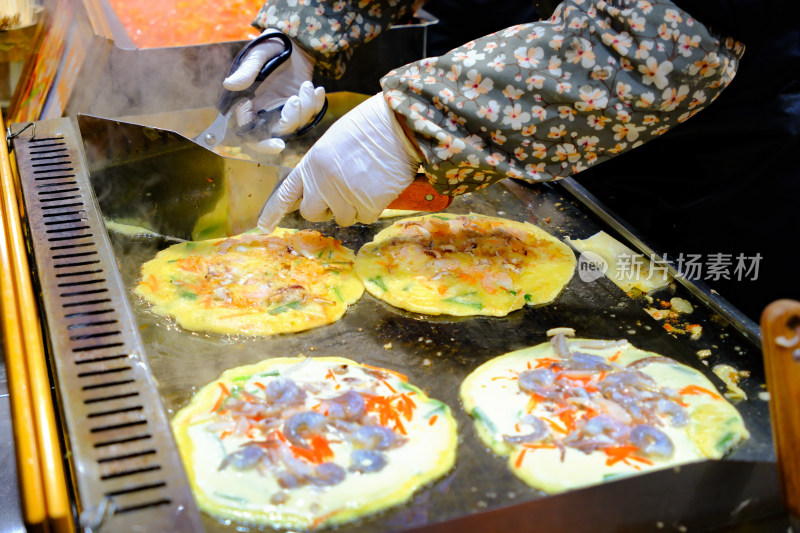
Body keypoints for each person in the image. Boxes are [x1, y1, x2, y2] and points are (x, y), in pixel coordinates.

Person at [223, 0, 799, 321]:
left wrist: (420, 122)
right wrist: (314, 24)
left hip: (698, 156)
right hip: (522, 114)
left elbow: (667, 38)